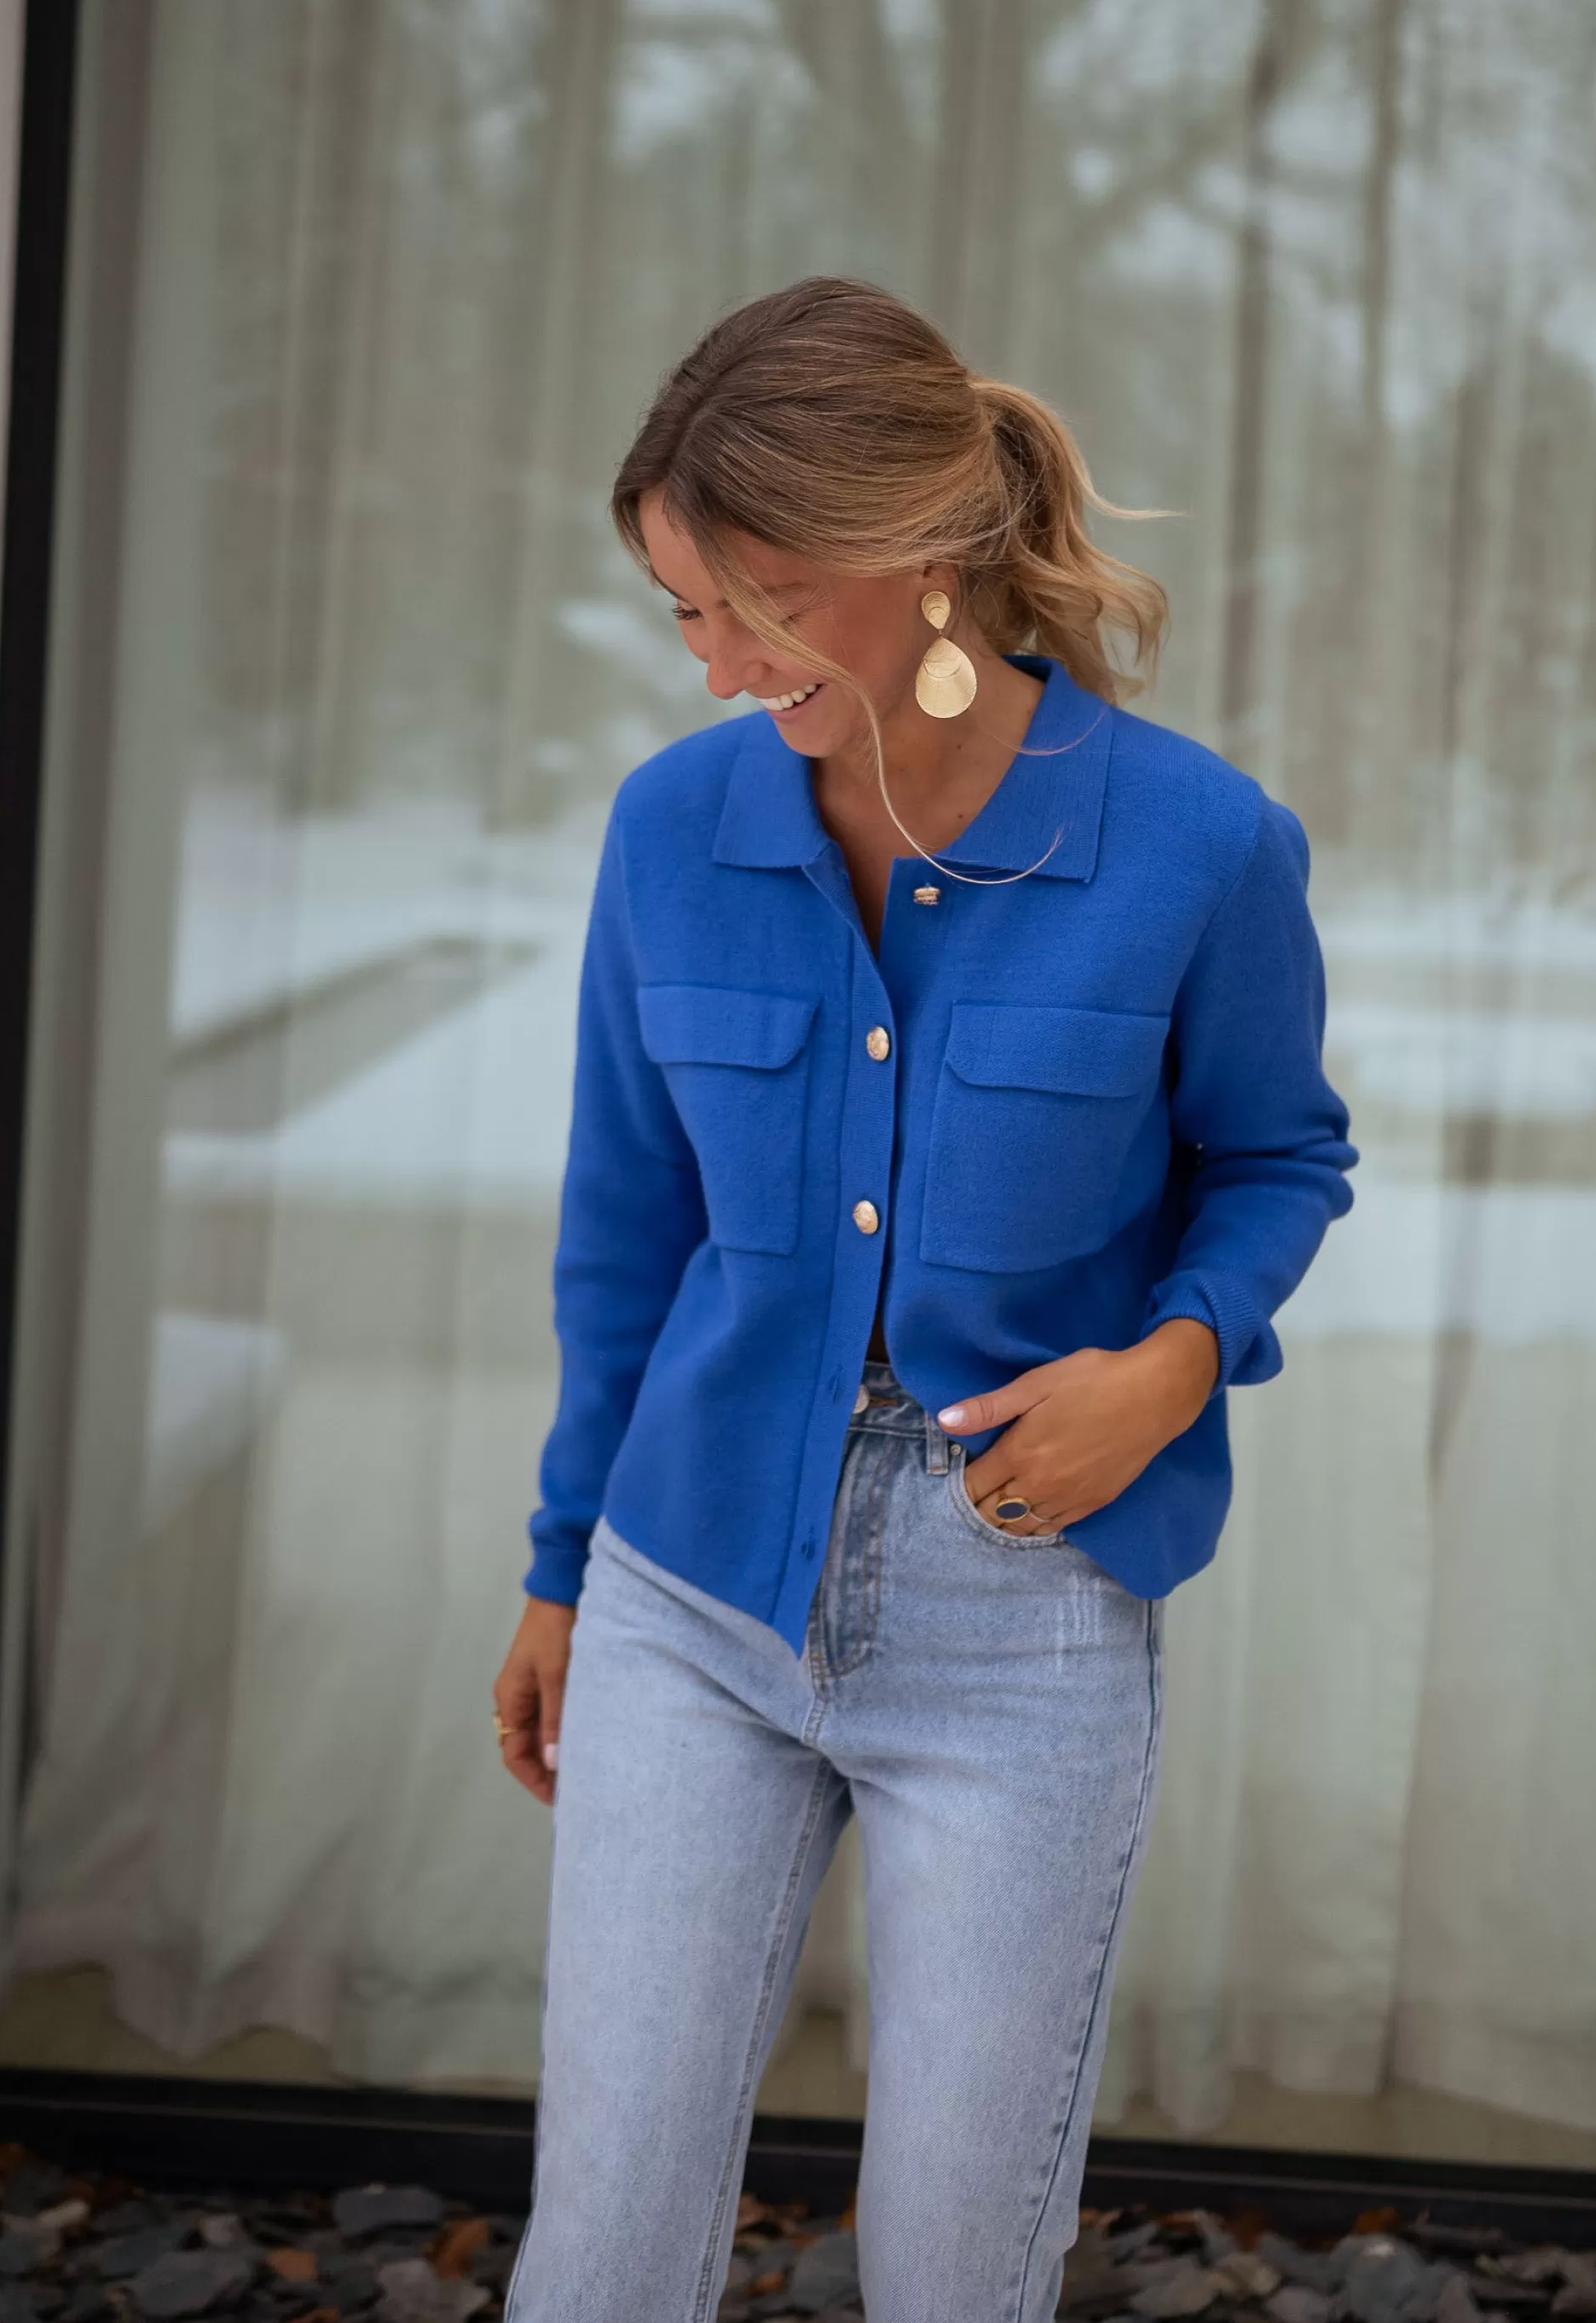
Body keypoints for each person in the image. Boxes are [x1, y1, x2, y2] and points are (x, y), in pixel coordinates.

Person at [493, 276, 1357, 2322]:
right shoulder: (672, 830)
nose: (724, 664)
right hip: (689, 1584)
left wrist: (1171, 1368)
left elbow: (1280, 1158)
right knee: (603, 2242)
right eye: (686, 613)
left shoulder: (1197, 847)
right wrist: (559, 1571)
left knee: (960, 2264)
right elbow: (627, 1230)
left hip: (1023, 1611)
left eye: (764, 606)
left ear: (924, 561)